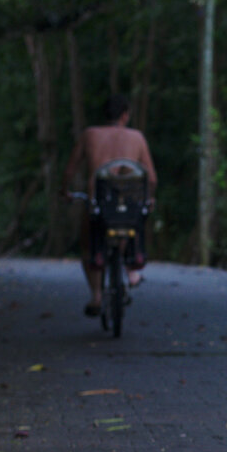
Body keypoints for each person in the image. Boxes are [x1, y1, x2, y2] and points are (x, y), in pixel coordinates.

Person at [61, 94, 157, 316]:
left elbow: (69, 170)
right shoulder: (137, 137)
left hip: (99, 202)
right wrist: (149, 197)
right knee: (132, 222)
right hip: (129, 204)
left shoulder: (90, 135)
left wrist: (64, 191)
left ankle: (96, 295)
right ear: (125, 114)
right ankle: (131, 269)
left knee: (88, 244)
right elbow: (151, 178)